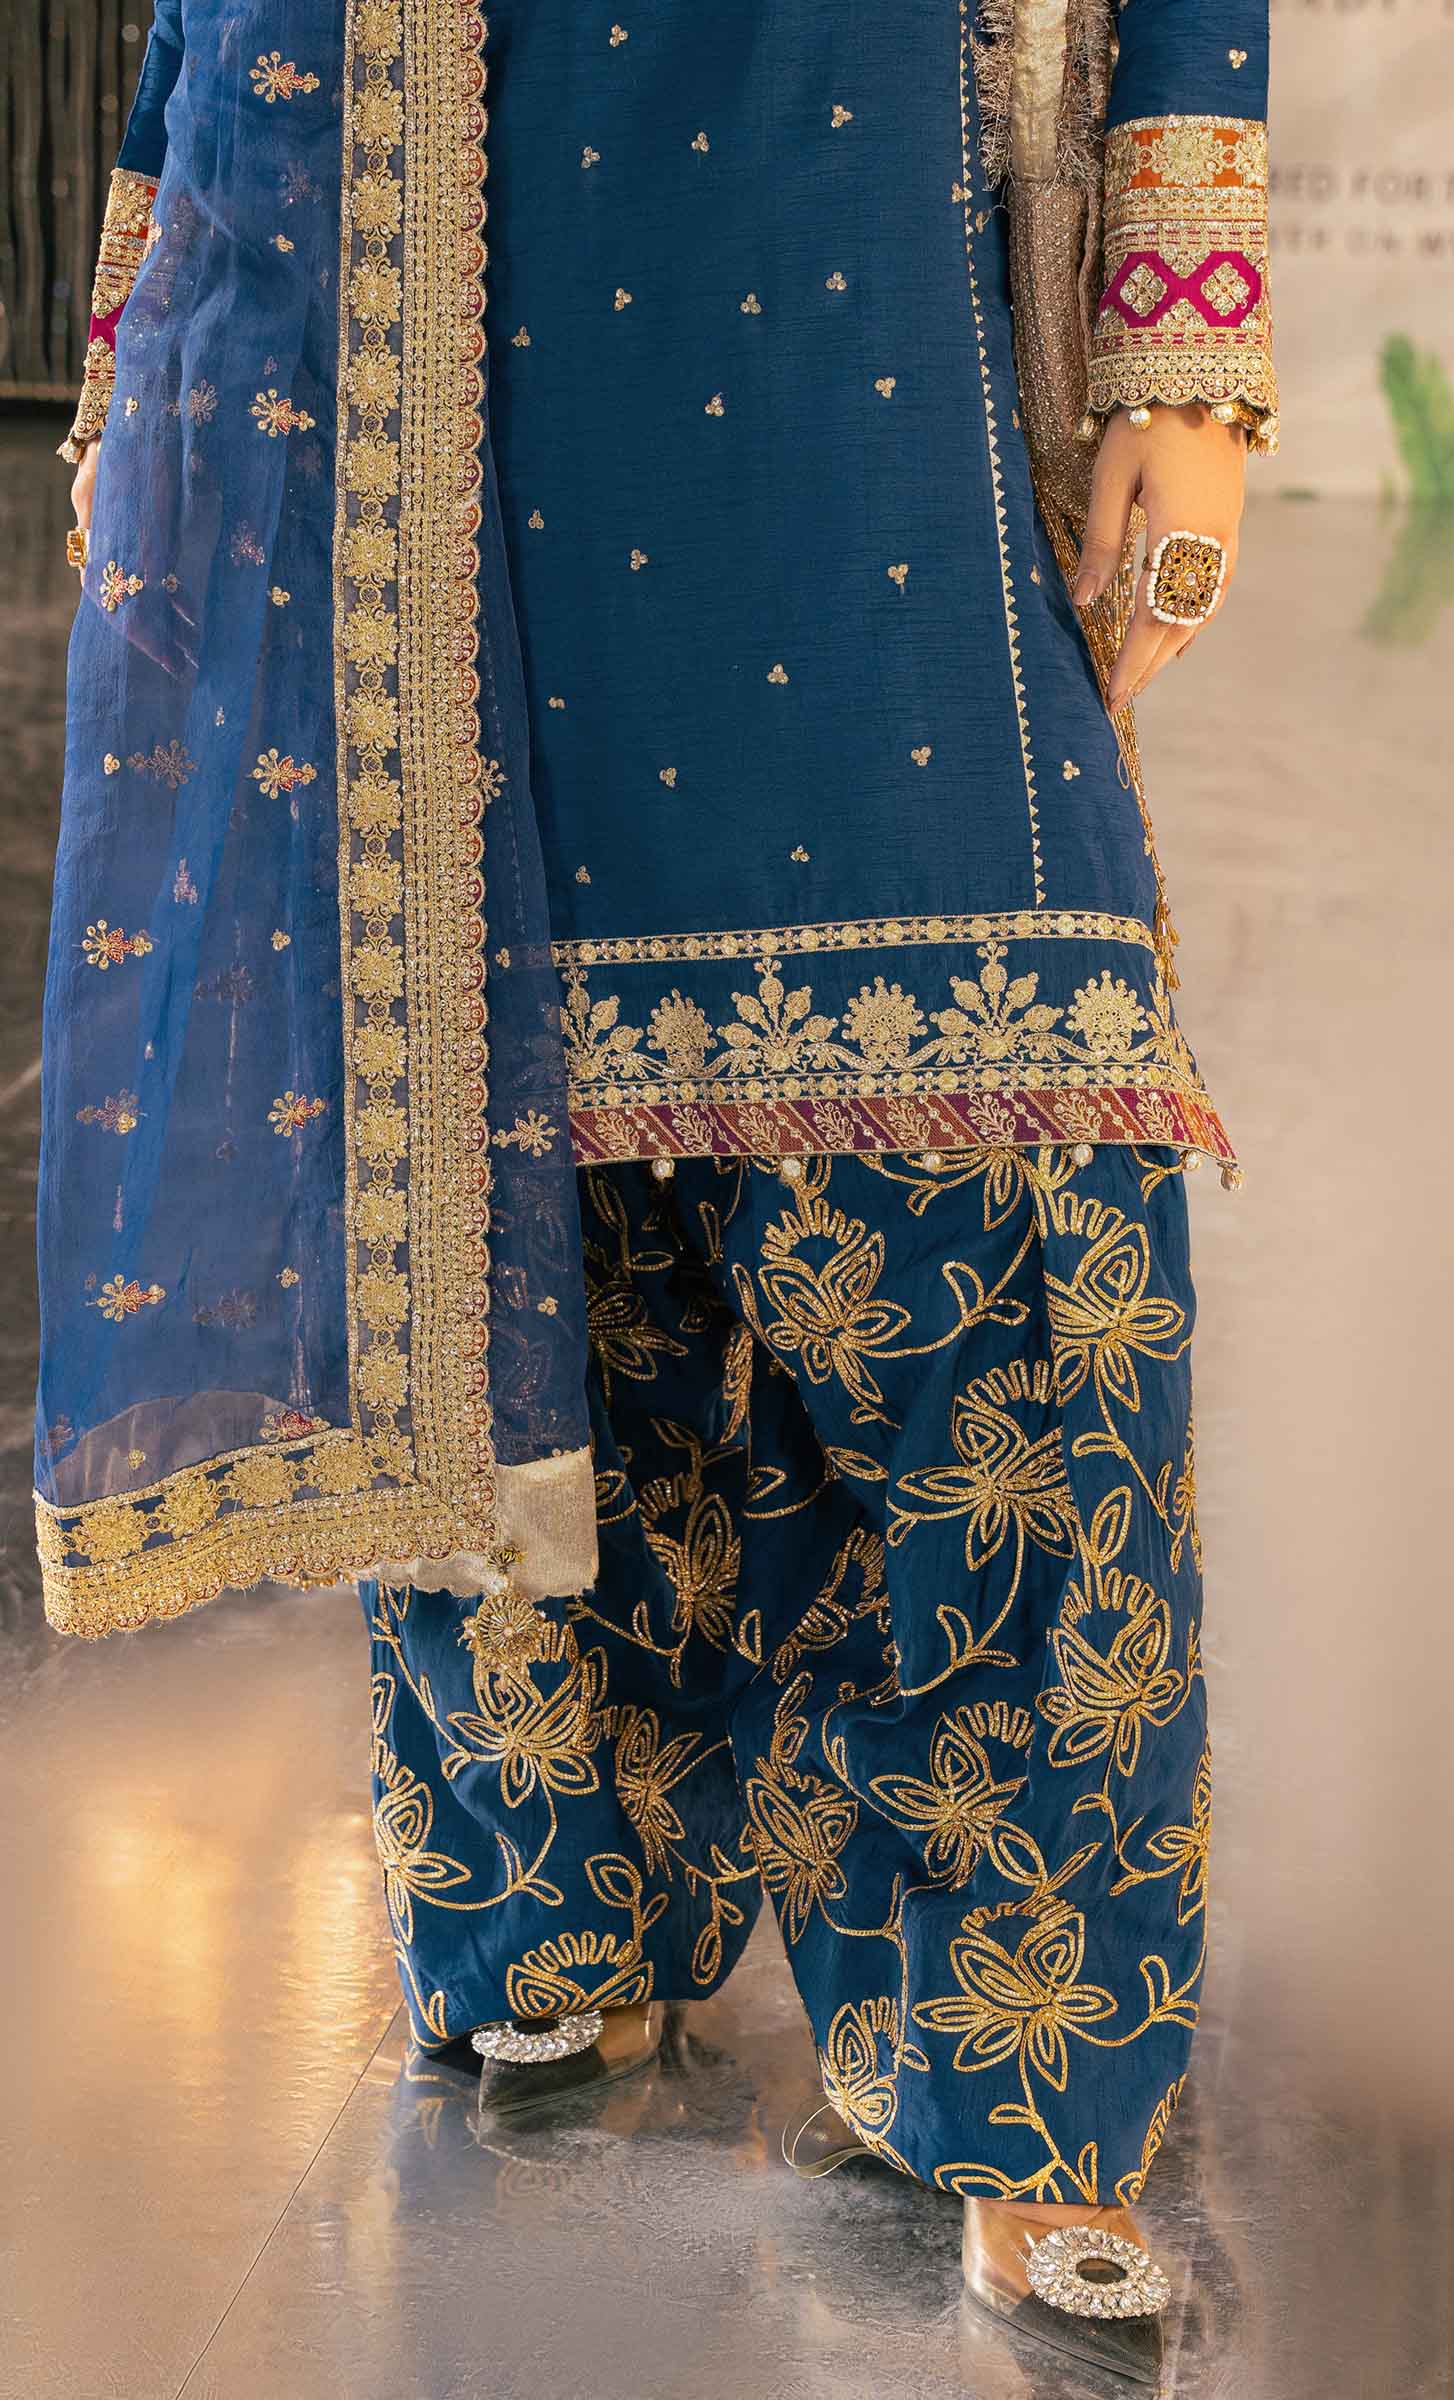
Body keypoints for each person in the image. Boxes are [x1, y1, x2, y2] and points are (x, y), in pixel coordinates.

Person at [45, 0, 1274, 2375]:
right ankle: (553, 1903)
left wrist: (1180, 343)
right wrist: (154, 330)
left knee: (987, 1173)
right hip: (411, 246)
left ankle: (1024, 2058)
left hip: (841, 239)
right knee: (483, 1132)